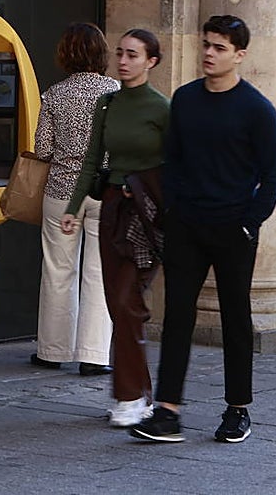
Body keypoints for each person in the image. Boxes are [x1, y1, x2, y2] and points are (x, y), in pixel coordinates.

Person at [131, 15, 276, 444]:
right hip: (186, 225)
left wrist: (248, 223)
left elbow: (273, 175)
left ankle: (237, 410)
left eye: (219, 48)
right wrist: (173, 209)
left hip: (233, 229)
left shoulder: (256, 109)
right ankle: (167, 411)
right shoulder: (185, 99)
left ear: (240, 55)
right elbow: (173, 160)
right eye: (206, 45)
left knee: (236, 318)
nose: (209, 54)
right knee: (177, 316)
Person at [65, 29, 170, 427]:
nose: (123, 61)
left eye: (132, 55)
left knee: (127, 301)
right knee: (116, 302)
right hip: (111, 207)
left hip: (146, 212)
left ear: (151, 62)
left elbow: (176, 165)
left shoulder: (162, 108)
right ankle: (137, 392)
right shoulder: (106, 105)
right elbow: (91, 160)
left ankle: (133, 395)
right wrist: (74, 208)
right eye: (120, 54)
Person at [31, 23, 120, 376]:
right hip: (103, 193)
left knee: (57, 271)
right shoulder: (115, 92)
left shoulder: (55, 94)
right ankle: (95, 355)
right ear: (102, 53)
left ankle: (52, 351)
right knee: (99, 273)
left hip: (61, 193)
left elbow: (43, 148)